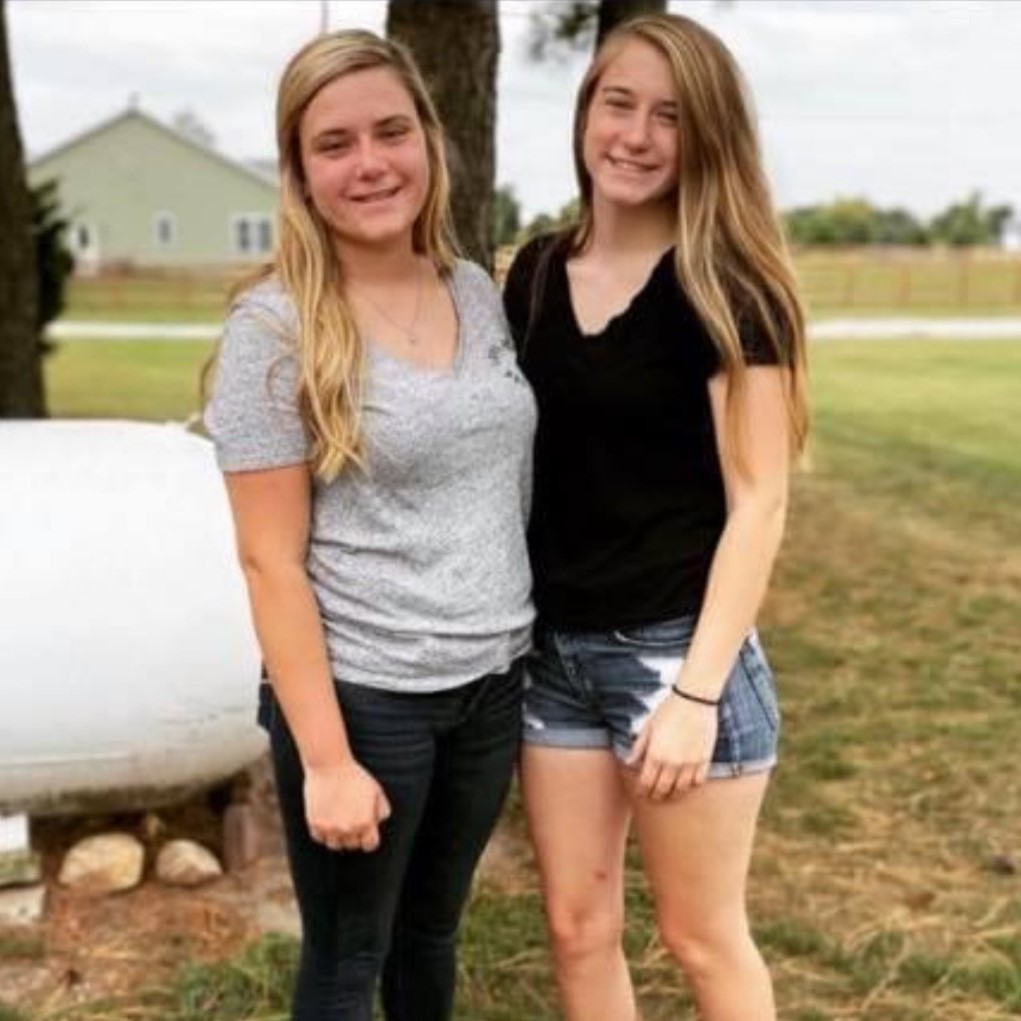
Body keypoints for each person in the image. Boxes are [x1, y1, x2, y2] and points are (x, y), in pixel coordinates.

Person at [204, 29, 536, 1021]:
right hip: (367, 702)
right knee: (351, 961)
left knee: (432, 936)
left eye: (391, 131)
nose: (370, 162)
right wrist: (329, 760)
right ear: (300, 173)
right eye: (334, 143)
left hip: (489, 687)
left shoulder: (473, 291)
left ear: (430, 141)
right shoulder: (274, 331)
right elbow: (269, 562)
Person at [503, 13, 809, 1021]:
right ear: (585, 111)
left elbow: (759, 501)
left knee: (699, 936)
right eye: (615, 102)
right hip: (555, 657)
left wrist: (694, 691)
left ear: (705, 137)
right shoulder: (536, 275)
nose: (633, 135)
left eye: (668, 117)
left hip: (678, 654)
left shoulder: (731, 286)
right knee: (576, 930)